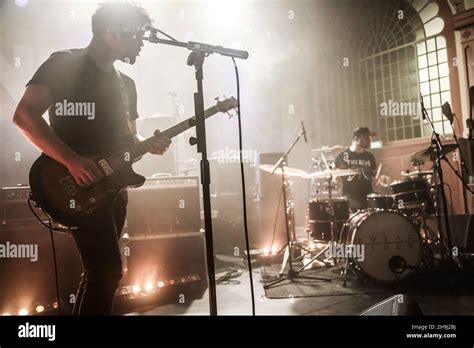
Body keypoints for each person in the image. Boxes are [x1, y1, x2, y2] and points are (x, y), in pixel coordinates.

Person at [12, 2, 171, 315]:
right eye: (137, 35)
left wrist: (148, 144)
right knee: (107, 270)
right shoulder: (64, 64)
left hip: (114, 188)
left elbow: (129, 139)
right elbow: (24, 116)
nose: (142, 43)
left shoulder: (127, 85)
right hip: (74, 185)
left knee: (102, 273)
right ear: (112, 33)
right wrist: (71, 160)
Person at [335, 127, 377, 212]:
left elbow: (373, 177)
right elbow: (333, 176)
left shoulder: (370, 157)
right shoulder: (342, 156)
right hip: (350, 197)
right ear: (356, 139)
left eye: (370, 138)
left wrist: (378, 180)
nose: (369, 140)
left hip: (368, 195)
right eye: (366, 138)